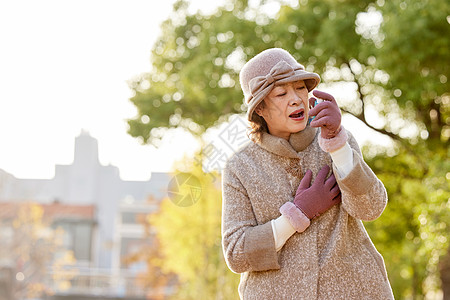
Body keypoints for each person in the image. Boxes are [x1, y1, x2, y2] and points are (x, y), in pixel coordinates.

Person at [221, 48, 394, 299]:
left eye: (301, 88)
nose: (296, 99)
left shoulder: (335, 139)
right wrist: (297, 214)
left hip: (357, 290)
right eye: (281, 93)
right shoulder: (240, 167)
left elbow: (371, 208)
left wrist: (337, 144)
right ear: (260, 109)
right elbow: (237, 254)